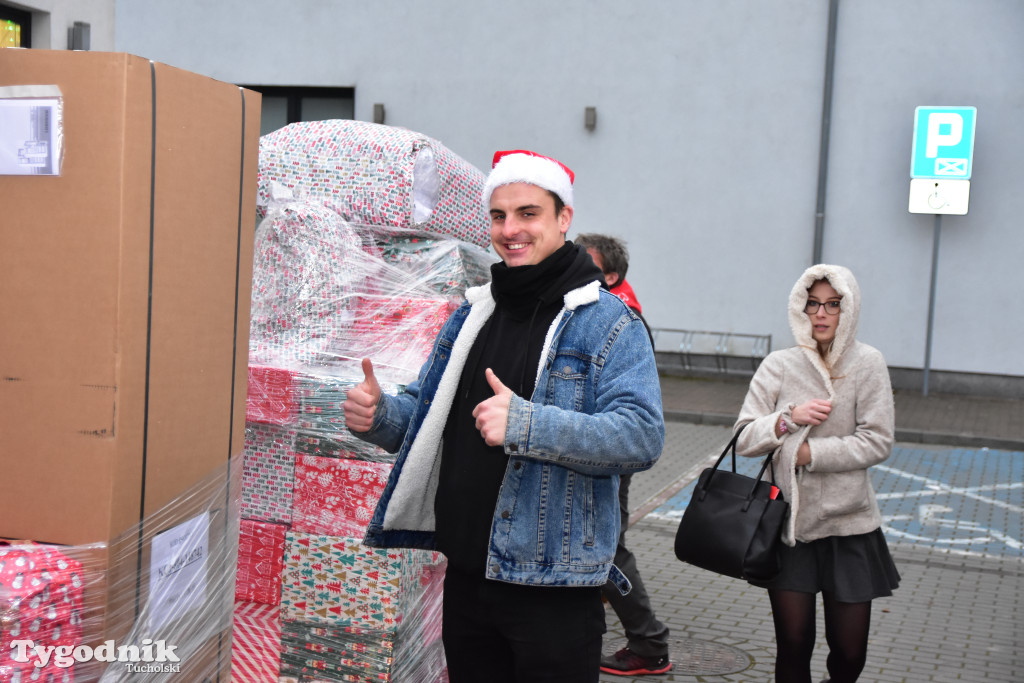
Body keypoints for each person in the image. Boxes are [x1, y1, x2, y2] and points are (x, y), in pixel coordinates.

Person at [343, 149, 666, 683]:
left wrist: (527, 425)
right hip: (467, 576)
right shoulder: (474, 311)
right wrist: (379, 415)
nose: (510, 229)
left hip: (553, 590)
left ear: (564, 219)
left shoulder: (608, 322)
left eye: (528, 213)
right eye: (498, 215)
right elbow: (429, 421)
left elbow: (642, 437)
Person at [732, 264, 900, 683]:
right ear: (800, 309)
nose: (821, 314)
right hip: (789, 527)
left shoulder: (868, 363)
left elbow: (877, 440)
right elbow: (743, 439)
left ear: (849, 310)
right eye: (812, 304)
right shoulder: (779, 364)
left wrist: (808, 452)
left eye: (832, 305)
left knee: (849, 654)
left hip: (850, 526)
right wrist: (788, 419)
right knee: (793, 646)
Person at [575, 233, 672, 676]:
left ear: (610, 276)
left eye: (586, 261)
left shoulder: (622, 320)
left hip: (606, 454)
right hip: (587, 450)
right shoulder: (589, 310)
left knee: (608, 548)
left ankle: (649, 643)